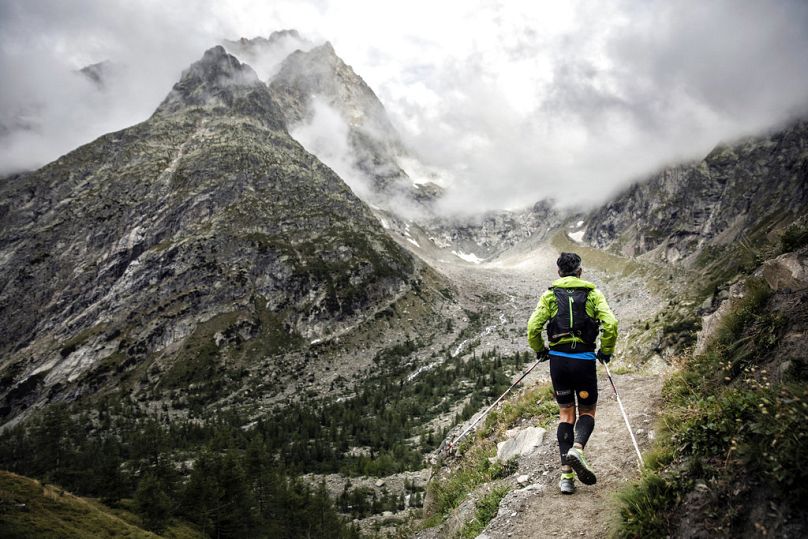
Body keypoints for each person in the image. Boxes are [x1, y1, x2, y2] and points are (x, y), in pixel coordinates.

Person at [527, 252, 618, 494]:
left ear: (559, 272)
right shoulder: (592, 294)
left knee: (566, 414)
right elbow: (611, 324)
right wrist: (605, 351)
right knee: (587, 410)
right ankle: (577, 448)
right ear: (580, 271)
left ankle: (566, 478)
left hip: (558, 363)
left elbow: (532, 327)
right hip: (584, 361)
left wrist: (541, 350)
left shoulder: (549, 295)